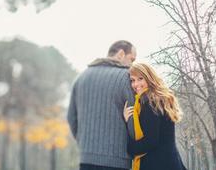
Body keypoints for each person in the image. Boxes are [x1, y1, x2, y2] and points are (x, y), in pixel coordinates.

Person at [68, 40, 137, 170]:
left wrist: (85, 144)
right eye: (132, 59)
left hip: (86, 159)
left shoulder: (81, 77)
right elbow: (134, 121)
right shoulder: (125, 78)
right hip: (117, 162)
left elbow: (71, 118)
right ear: (121, 54)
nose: (132, 65)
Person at [123, 62, 187, 170]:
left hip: (158, 164)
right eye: (132, 80)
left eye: (140, 78)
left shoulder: (150, 102)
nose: (136, 84)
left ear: (149, 78)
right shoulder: (158, 99)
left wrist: (126, 147)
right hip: (170, 161)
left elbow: (150, 141)